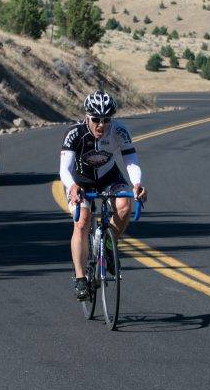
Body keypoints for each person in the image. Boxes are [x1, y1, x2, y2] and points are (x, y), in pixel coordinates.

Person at [59, 90, 147, 300]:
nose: (101, 125)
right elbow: (64, 169)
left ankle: (108, 244)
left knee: (125, 205)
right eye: (96, 119)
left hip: (109, 177)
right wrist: (72, 186)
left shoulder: (119, 131)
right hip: (80, 182)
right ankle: (81, 279)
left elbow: (131, 160)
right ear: (87, 117)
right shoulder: (75, 133)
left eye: (106, 120)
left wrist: (137, 183)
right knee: (82, 221)